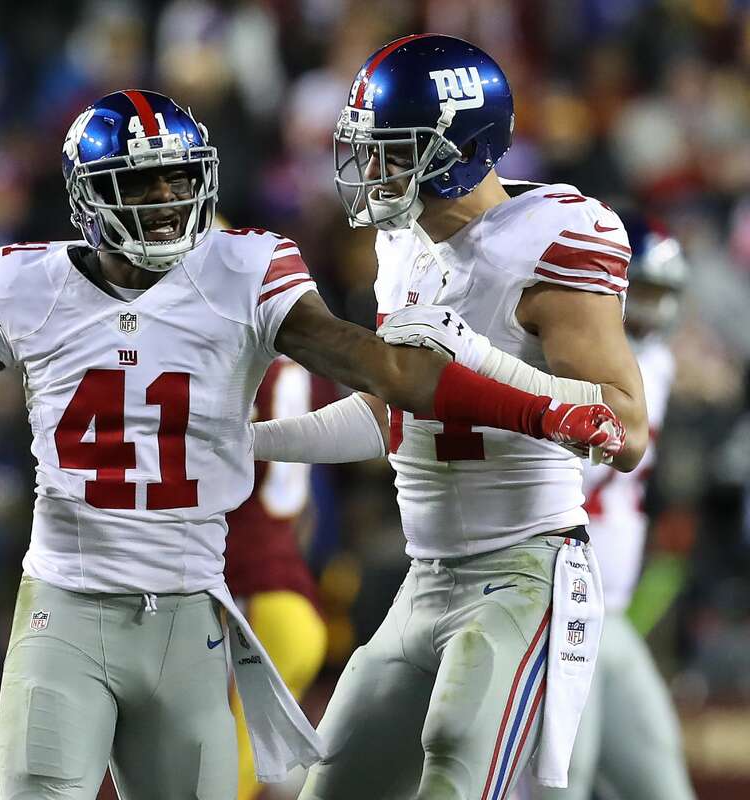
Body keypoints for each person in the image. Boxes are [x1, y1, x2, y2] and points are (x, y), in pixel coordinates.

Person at [0, 89, 624, 800]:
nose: (164, 200)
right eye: (141, 183)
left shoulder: (246, 269)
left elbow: (389, 373)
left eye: (180, 179)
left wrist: (543, 413)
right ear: (87, 194)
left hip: (191, 618)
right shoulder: (24, 282)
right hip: (66, 608)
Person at [246, 34, 649, 800]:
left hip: (524, 571)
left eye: (393, 150)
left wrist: (480, 358)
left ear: (459, 150)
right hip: (425, 578)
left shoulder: (553, 238)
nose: (372, 170)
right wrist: (249, 441)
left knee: (455, 769)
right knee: (332, 785)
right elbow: (390, 416)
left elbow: (625, 430)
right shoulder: (403, 245)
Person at [521, 212, 695, 799]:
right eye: (640, 289)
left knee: (663, 784)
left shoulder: (660, 363)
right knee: (560, 787)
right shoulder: (576, 354)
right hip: (562, 602)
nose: (652, 307)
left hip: (610, 615)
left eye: (661, 293)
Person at [224, 357, 333, 800]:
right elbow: (306, 513)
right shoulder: (303, 367)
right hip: (294, 601)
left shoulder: (237, 366)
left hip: (253, 605)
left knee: (217, 783)